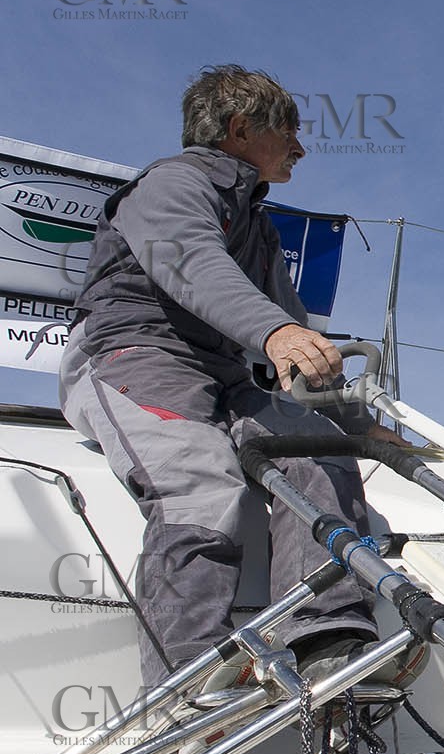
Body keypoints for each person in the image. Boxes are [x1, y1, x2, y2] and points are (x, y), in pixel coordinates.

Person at [58, 65, 416, 720]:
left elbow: (295, 338)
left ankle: (326, 639)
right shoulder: (173, 184)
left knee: (318, 449)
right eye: (290, 134)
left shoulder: (259, 230)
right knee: (199, 476)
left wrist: (361, 425)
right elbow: (192, 263)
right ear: (240, 128)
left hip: (221, 374)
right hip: (132, 352)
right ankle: (181, 699)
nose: (300, 151)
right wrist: (273, 332)